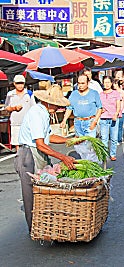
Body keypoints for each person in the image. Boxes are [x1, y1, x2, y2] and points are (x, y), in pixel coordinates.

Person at [15, 85, 77, 232]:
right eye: (56, 104)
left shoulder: (44, 113)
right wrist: (63, 157)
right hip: (28, 154)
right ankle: (34, 229)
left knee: (41, 190)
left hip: (36, 152)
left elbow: (48, 137)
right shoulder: (37, 113)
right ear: (48, 102)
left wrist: (70, 140)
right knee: (31, 193)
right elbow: (40, 144)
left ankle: (42, 224)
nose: (57, 107)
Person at [5, 75, 36, 151]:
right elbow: (6, 107)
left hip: (27, 123)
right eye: (18, 83)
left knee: (28, 143)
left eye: (21, 83)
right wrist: (14, 108)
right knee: (17, 143)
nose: (20, 85)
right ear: (14, 84)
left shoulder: (29, 93)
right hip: (15, 123)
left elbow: (33, 107)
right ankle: (19, 158)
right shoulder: (10, 94)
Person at [99, 76, 121, 161]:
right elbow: (98, 106)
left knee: (114, 138)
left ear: (111, 83)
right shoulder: (100, 94)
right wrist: (101, 110)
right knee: (104, 138)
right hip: (103, 118)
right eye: (105, 82)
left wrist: (116, 114)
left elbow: (118, 106)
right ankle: (104, 154)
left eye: (108, 82)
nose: (107, 84)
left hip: (114, 118)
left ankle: (112, 154)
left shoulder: (116, 93)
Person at [114, 79, 124, 144]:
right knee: (115, 126)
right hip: (114, 111)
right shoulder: (112, 92)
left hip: (122, 111)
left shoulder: (123, 93)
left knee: (120, 126)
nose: (113, 85)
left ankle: (119, 139)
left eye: (114, 84)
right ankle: (117, 138)